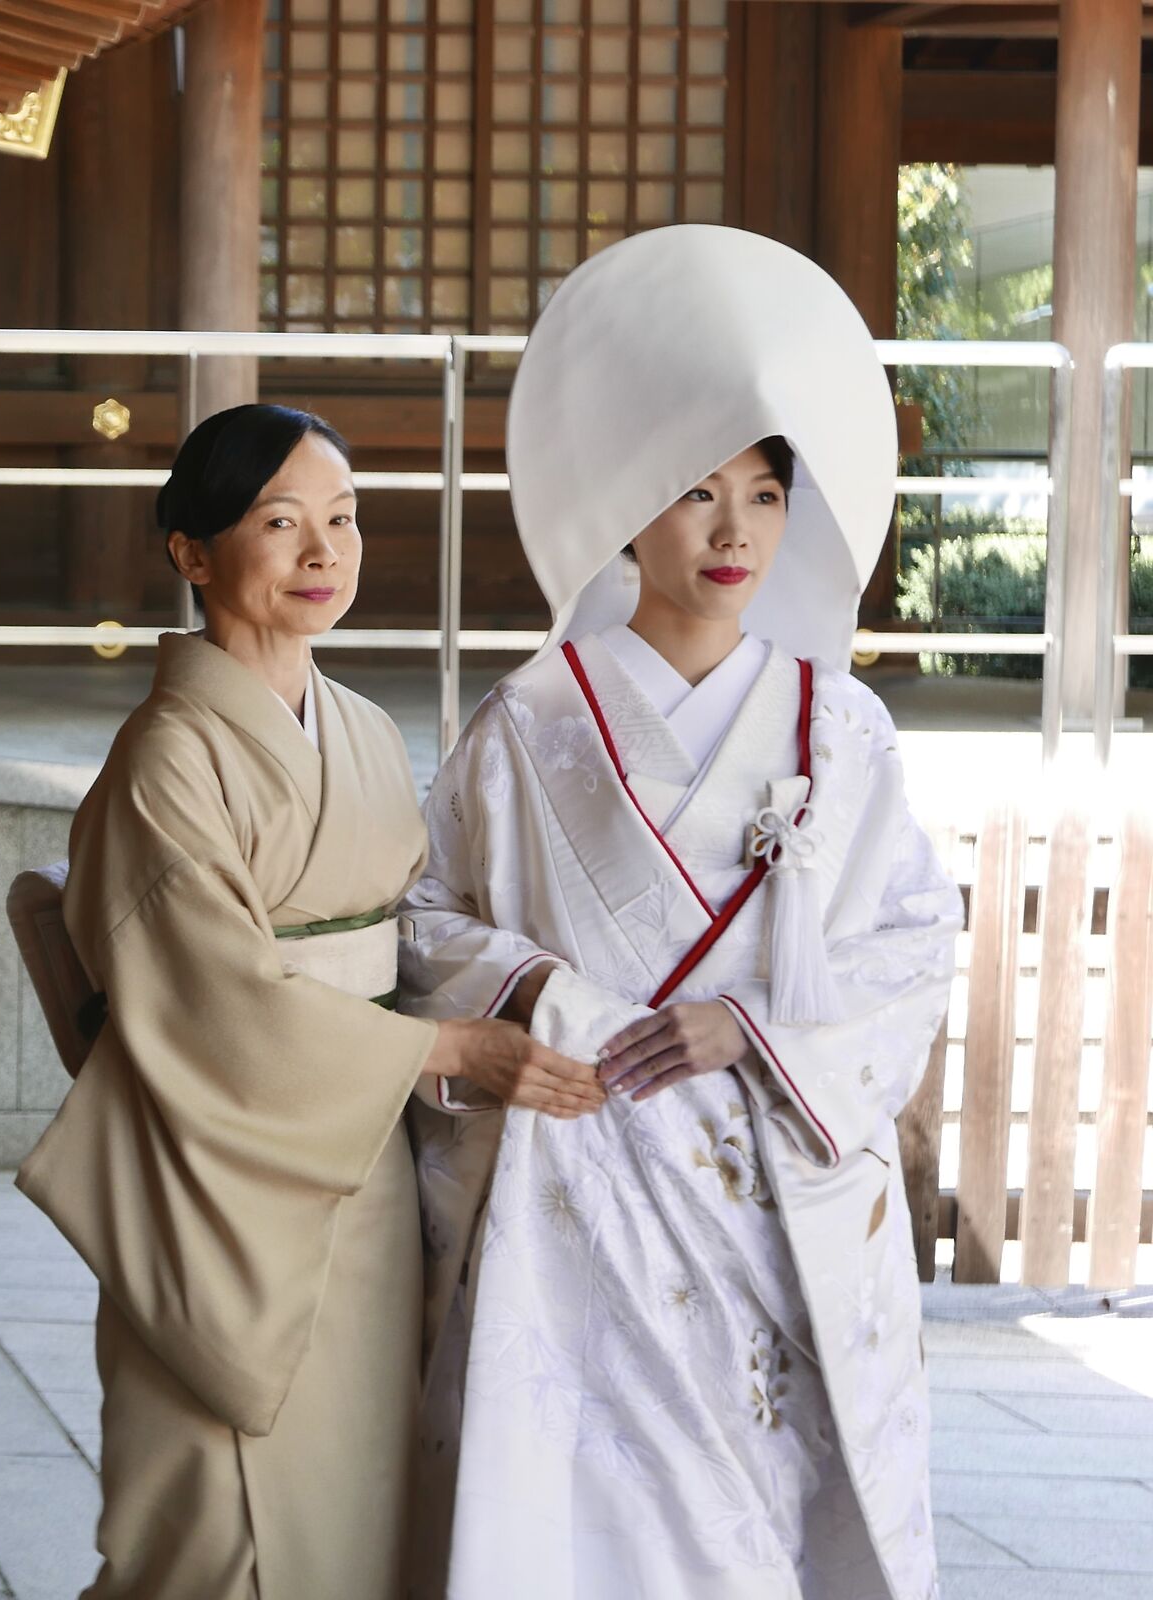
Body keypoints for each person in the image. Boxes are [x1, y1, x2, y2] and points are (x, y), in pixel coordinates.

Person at [400, 225, 961, 1600]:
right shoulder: (530, 719)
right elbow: (422, 916)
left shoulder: (848, 726)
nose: (732, 534)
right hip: (580, 1173)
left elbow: (911, 946)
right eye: (698, 494)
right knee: (600, 1537)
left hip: (774, 1177)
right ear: (635, 509)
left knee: (757, 1533)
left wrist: (753, 1031)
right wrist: (537, 993)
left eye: (764, 497)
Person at [16, 403, 605, 1600]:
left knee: (360, 1513)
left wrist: (516, 991)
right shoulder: (167, 757)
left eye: (342, 521)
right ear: (192, 551)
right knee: (205, 1530)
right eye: (282, 523)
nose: (323, 553)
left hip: (362, 1167)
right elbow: (217, 1005)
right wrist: (441, 1043)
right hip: (216, 1182)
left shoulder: (369, 734)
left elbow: (415, 927)